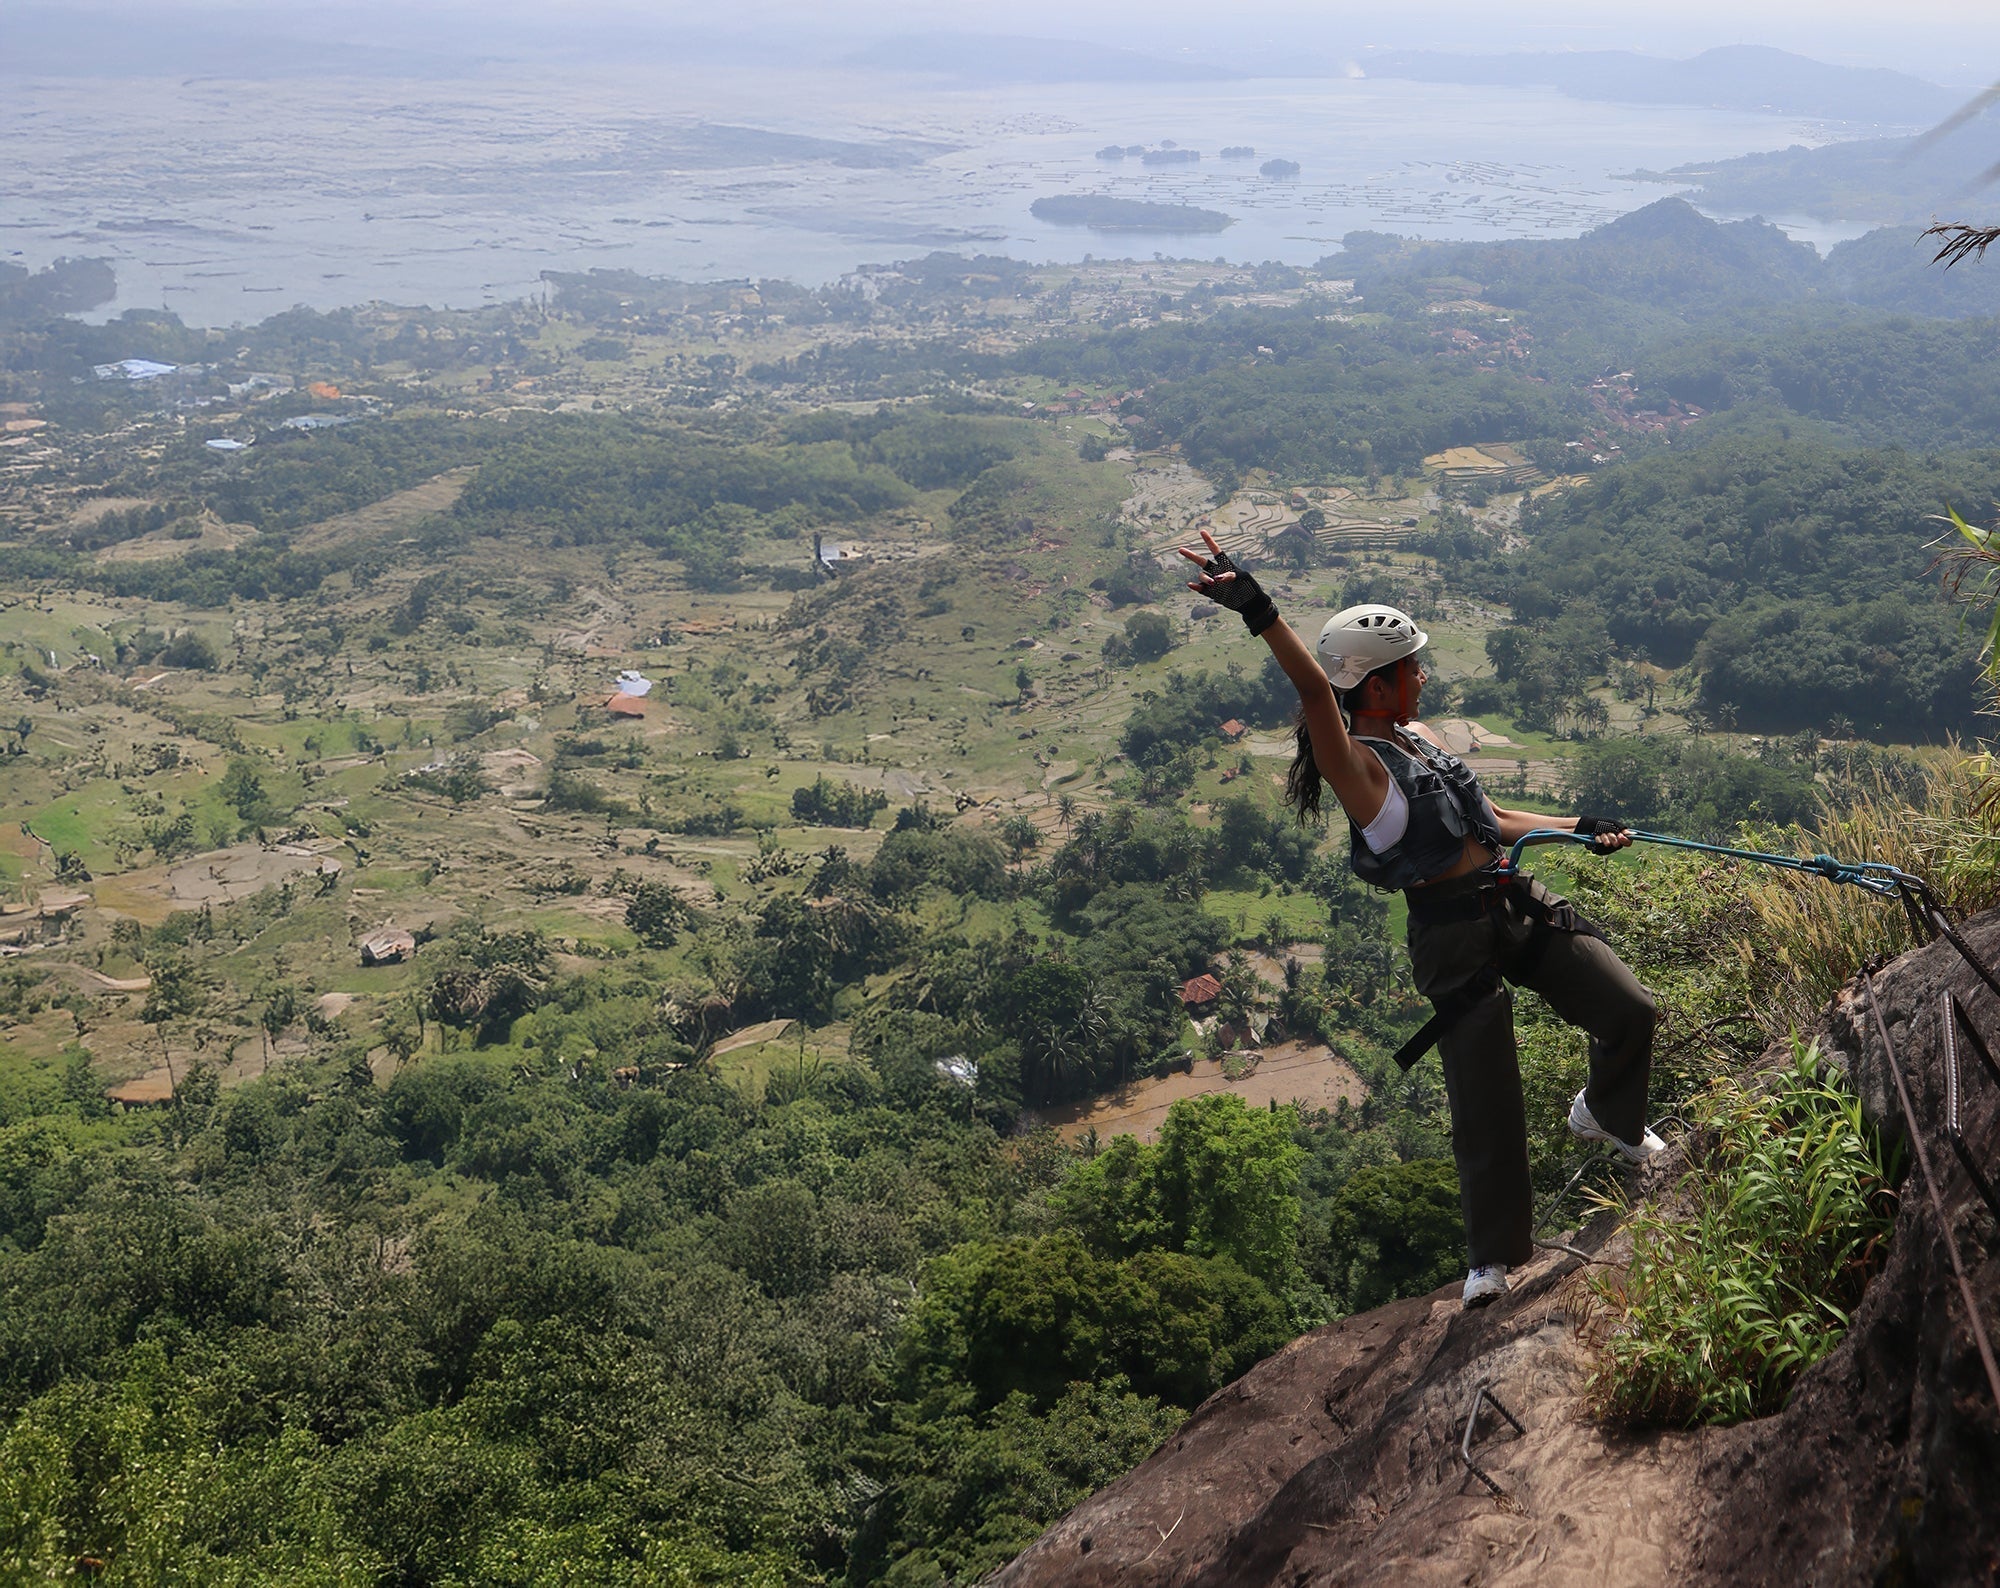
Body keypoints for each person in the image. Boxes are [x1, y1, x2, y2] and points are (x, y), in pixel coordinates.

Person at [1179, 533, 1664, 1309]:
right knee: (1487, 1098)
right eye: (1411, 667)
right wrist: (1258, 609)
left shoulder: (1422, 739)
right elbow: (1315, 692)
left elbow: (1494, 818)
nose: (1423, 675)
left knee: (1629, 1007)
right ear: (1375, 686)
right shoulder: (1356, 766)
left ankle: (1605, 1115)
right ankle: (1491, 1261)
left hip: (1510, 898)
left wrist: (1580, 827)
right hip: (1450, 934)